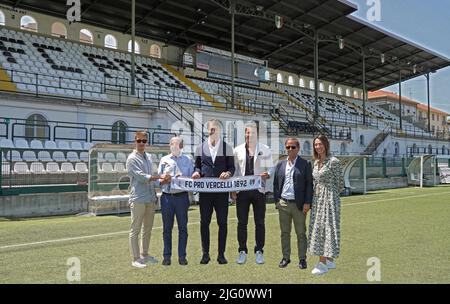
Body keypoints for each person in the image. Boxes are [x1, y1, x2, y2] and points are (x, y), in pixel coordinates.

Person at [192, 119, 235, 265]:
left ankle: (221, 255)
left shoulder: (227, 148)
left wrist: (228, 174)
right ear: (207, 131)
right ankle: (205, 254)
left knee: (222, 223)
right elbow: (197, 167)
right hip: (205, 193)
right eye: (211, 129)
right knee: (204, 223)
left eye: (216, 129)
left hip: (222, 193)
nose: (213, 132)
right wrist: (197, 173)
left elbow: (231, 168)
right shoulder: (200, 148)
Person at [126, 130, 170, 268]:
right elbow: (142, 177)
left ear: (147, 142)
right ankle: (135, 258)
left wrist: (163, 182)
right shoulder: (131, 158)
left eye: (144, 141)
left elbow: (152, 177)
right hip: (138, 198)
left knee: (148, 229)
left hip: (150, 198)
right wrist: (161, 177)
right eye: (139, 141)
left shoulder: (149, 157)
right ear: (135, 141)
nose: (141, 144)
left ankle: (144, 255)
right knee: (135, 230)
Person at [232, 121, 274, 265]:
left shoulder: (265, 149)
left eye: (253, 133)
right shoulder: (237, 150)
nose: (250, 135)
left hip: (258, 191)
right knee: (242, 223)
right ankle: (242, 251)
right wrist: (233, 189)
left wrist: (267, 174)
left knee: (260, 222)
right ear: (245, 133)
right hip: (242, 191)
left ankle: (259, 251)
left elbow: (271, 168)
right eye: (248, 132)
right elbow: (235, 171)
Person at [273, 137, 313, 270]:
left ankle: (302, 259)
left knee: (301, 233)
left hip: (299, 205)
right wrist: (277, 201)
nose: (290, 149)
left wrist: (307, 202)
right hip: (283, 203)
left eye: (293, 147)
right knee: (285, 233)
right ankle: (286, 257)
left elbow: (309, 185)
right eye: (288, 147)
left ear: (298, 148)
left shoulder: (305, 164)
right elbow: (276, 184)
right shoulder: (280, 164)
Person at [308, 135, 343, 275]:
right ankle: (329, 260)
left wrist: (330, 196)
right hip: (317, 199)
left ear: (326, 145)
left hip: (329, 199)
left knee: (326, 228)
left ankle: (322, 263)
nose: (318, 147)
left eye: (320, 144)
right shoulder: (316, 162)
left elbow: (340, 183)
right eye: (316, 144)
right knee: (319, 227)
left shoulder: (333, 162)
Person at [158, 137, 194, 266]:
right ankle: (166, 257)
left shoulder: (188, 159)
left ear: (181, 146)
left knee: (183, 228)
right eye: (172, 143)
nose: (174, 146)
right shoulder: (164, 159)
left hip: (182, 197)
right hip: (167, 197)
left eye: (176, 144)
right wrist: (163, 180)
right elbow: (158, 179)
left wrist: (188, 177)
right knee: (167, 229)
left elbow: (192, 178)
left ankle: (182, 257)